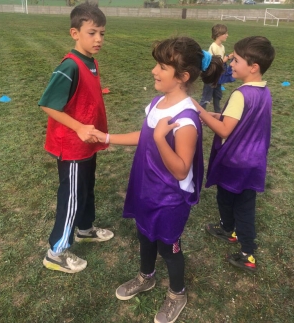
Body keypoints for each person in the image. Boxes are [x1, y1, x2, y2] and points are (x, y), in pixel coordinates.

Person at [90, 37, 223, 323]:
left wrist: (163, 138)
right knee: (144, 235)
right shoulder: (158, 102)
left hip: (170, 198)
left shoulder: (185, 119)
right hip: (146, 187)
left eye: (163, 66)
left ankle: (177, 293)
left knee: (168, 246)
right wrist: (107, 137)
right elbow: (146, 136)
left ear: (183, 77)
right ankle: (146, 277)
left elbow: (180, 170)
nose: (154, 70)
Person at [39, 3, 114, 274]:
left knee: (86, 188)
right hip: (70, 146)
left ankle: (85, 228)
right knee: (70, 196)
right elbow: (48, 103)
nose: (98, 39)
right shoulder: (69, 65)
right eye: (92, 32)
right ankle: (56, 252)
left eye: (102, 34)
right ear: (75, 33)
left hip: (87, 144)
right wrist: (79, 127)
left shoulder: (91, 61)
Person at [194, 36, 275, 273]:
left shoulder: (241, 94)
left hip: (236, 161)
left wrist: (200, 110)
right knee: (229, 199)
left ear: (253, 67)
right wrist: (212, 115)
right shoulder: (264, 92)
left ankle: (247, 254)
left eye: (236, 60)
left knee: (241, 207)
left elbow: (225, 129)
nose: (231, 63)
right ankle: (227, 229)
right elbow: (237, 121)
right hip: (253, 160)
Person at [199, 24, 234, 113]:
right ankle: (200, 115)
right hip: (211, 75)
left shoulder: (222, 47)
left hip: (218, 76)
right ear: (218, 35)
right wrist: (227, 58)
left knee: (217, 95)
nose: (227, 35)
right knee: (206, 97)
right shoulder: (214, 46)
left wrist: (227, 58)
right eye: (225, 33)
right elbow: (216, 62)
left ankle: (218, 114)